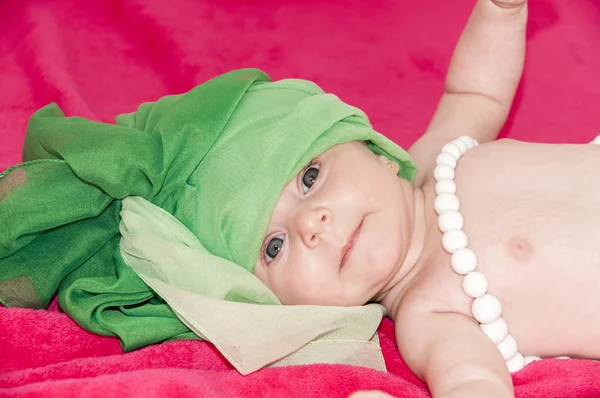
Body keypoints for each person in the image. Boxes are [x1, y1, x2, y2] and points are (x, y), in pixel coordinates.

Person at [252, 0, 598, 396]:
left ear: (375, 153)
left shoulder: (434, 162)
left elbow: (475, 91)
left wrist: (500, 12)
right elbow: (474, 381)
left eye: (310, 178)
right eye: (273, 247)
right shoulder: (428, 314)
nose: (310, 223)